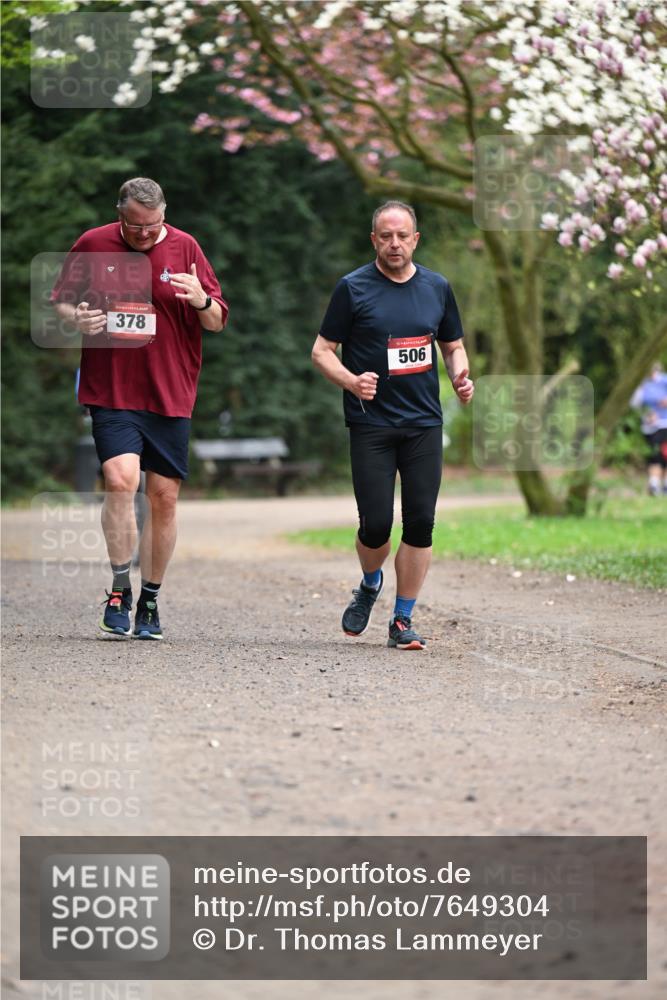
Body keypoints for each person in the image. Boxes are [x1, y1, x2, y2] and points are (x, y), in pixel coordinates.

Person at [52, 177, 228, 639]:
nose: (146, 234)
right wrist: (78, 318)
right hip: (112, 389)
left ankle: (149, 599)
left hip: (170, 391)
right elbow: (62, 304)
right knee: (119, 479)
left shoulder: (187, 248)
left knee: (163, 498)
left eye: (154, 225)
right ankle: (119, 588)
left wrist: (202, 300)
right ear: (120, 216)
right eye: (136, 227)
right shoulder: (93, 244)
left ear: (164, 215)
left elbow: (216, 320)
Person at [312, 201, 473, 651]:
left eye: (402, 236)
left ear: (416, 239)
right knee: (376, 526)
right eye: (386, 236)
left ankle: (402, 619)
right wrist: (350, 381)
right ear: (374, 240)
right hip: (372, 424)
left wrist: (460, 375)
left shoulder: (437, 287)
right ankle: (369, 583)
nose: (395, 244)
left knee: (421, 523)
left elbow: (453, 345)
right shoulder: (353, 288)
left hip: (423, 423)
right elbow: (321, 351)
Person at [630, 362, 667, 496]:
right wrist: (647, 414)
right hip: (651, 427)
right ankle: (654, 485)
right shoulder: (642, 384)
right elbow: (635, 404)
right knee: (655, 455)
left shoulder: (664, 381)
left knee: (665, 456)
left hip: (665, 423)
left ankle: (665, 485)